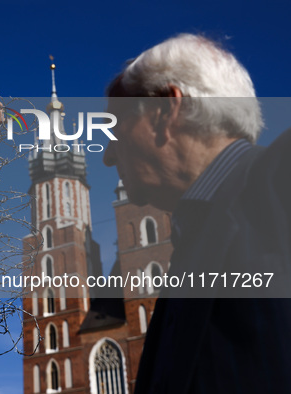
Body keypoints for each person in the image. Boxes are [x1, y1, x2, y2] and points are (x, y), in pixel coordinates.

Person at [103, 34, 291, 393]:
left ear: (164, 111)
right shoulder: (188, 248)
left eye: (114, 128)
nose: (108, 155)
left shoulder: (282, 176)